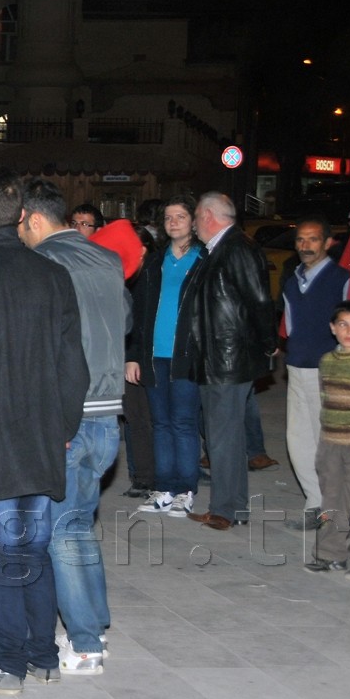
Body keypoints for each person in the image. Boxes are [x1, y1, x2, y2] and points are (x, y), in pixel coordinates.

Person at [0, 167, 87, 695]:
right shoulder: (52, 274)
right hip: (42, 431)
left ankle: (8, 664)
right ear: (23, 216)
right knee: (35, 546)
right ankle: (43, 654)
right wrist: (65, 426)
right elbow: (74, 362)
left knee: (6, 552)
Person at [19, 178, 128, 675]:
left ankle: (85, 644)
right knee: (80, 522)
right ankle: (93, 625)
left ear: (35, 220)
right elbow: (123, 321)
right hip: (108, 415)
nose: (19, 234)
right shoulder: (107, 259)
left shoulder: (45, 263)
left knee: (63, 529)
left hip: (69, 413)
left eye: (20, 225)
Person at [179, 192, 277, 531]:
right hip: (218, 357)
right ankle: (231, 507)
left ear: (207, 215)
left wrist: (268, 345)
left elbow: (260, 300)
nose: (193, 225)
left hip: (228, 358)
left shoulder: (236, 248)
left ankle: (225, 510)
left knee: (222, 436)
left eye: (195, 217)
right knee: (225, 436)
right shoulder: (220, 249)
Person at [127, 199, 204, 515]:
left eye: (181, 216)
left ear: (194, 221)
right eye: (169, 218)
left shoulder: (205, 260)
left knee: (184, 422)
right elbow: (140, 311)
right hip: (154, 354)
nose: (174, 222)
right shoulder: (156, 261)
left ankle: (186, 489)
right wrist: (133, 355)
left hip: (186, 354)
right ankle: (163, 488)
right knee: (160, 423)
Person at [281, 216, 350, 531]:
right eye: (300, 240)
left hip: (329, 371)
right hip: (297, 366)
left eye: (312, 239)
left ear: (327, 243)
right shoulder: (292, 280)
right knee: (298, 440)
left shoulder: (341, 279)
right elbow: (291, 326)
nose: (305, 246)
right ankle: (315, 502)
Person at [302, 300, 350, 579]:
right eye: (343, 325)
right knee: (332, 501)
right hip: (331, 443)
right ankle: (329, 555)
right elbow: (326, 401)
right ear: (333, 328)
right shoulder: (327, 361)